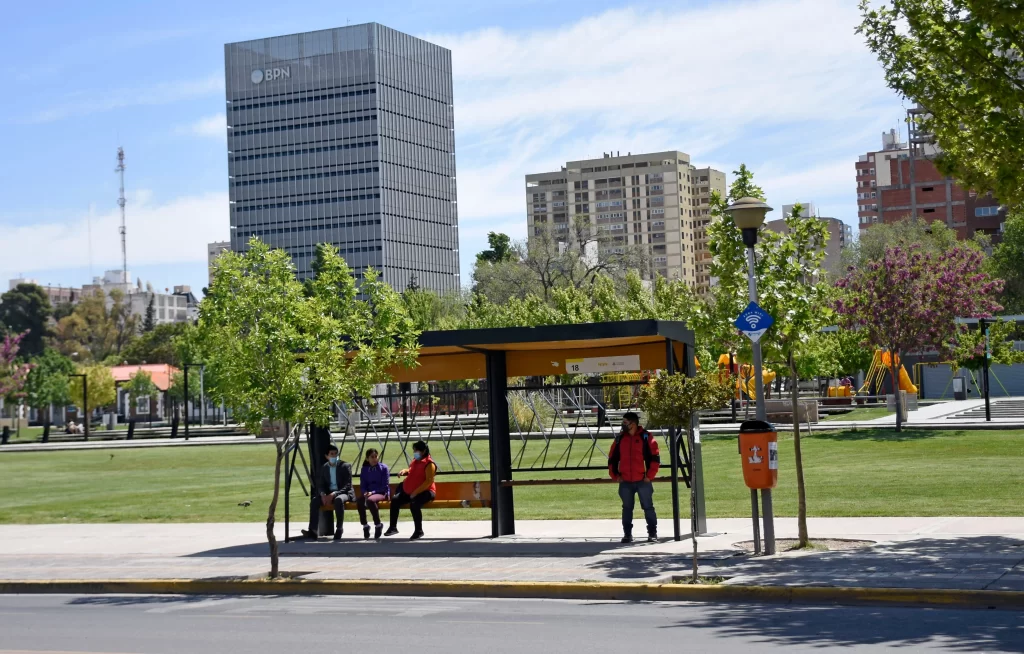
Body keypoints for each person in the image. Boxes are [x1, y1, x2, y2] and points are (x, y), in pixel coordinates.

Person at [608, 411, 660, 543]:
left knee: (648, 507)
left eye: (625, 422)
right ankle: (627, 534)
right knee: (627, 508)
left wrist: (649, 476)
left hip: (643, 481)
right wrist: (615, 475)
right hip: (625, 481)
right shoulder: (620, 439)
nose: (623, 425)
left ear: (633, 424)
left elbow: (655, 458)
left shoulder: (646, 437)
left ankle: (652, 533)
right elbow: (612, 458)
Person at [383, 440, 436, 540]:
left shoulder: (429, 464)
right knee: (395, 500)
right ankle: (393, 527)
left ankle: (418, 531)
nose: (415, 452)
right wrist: (405, 471)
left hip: (426, 492)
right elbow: (412, 471)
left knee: (414, 505)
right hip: (410, 491)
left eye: (416, 450)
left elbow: (428, 481)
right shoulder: (415, 461)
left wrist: (415, 493)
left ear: (423, 451)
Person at [301, 444, 354, 541]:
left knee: (338, 500)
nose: (334, 456)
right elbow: (321, 485)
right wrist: (323, 495)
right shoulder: (324, 468)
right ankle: (312, 530)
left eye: (335, 454)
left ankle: (339, 528)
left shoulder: (345, 466)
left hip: (344, 493)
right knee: (314, 501)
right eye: (331, 454)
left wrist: (334, 494)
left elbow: (347, 486)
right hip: (329, 493)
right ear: (327, 456)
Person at [357, 448, 390, 540]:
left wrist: (372, 492)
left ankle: (378, 525)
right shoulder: (364, 469)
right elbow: (363, 484)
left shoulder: (384, 468)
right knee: (359, 501)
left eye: (376, 456)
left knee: (370, 500)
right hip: (368, 493)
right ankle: (365, 526)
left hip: (381, 492)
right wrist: (364, 493)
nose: (375, 459)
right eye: (372, 457)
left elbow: (384, 486)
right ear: (367, 458)